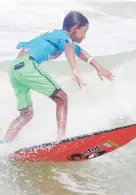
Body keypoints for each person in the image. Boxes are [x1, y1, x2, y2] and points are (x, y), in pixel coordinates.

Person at [3, 11, 114, 143]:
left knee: (26, 114)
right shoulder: (62, 36)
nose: (85, 37)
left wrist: (99, 68)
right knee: (62, 98)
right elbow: (69, 50)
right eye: (84, 32)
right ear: (74, 29)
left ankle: (4, 145)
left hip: (15, 70)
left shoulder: (57, 37)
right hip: (26, 65)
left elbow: (78, 51)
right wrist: (74, 69)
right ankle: (61, 140)